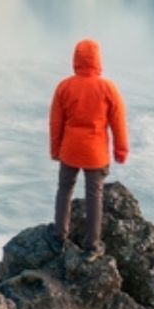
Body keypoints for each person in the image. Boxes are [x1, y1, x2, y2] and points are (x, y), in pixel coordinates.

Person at [49, 38, 129, 255]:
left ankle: (59, 236)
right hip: (95, 154)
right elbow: (118, 122)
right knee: (95, 196)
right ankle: (92, 246)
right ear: (98, 61)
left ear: (75, 59)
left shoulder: (64, 87)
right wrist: (121, 150)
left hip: (70, 150)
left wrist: (56, 150)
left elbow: (55, 123)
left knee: (64, 190)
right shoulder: (107, 88)